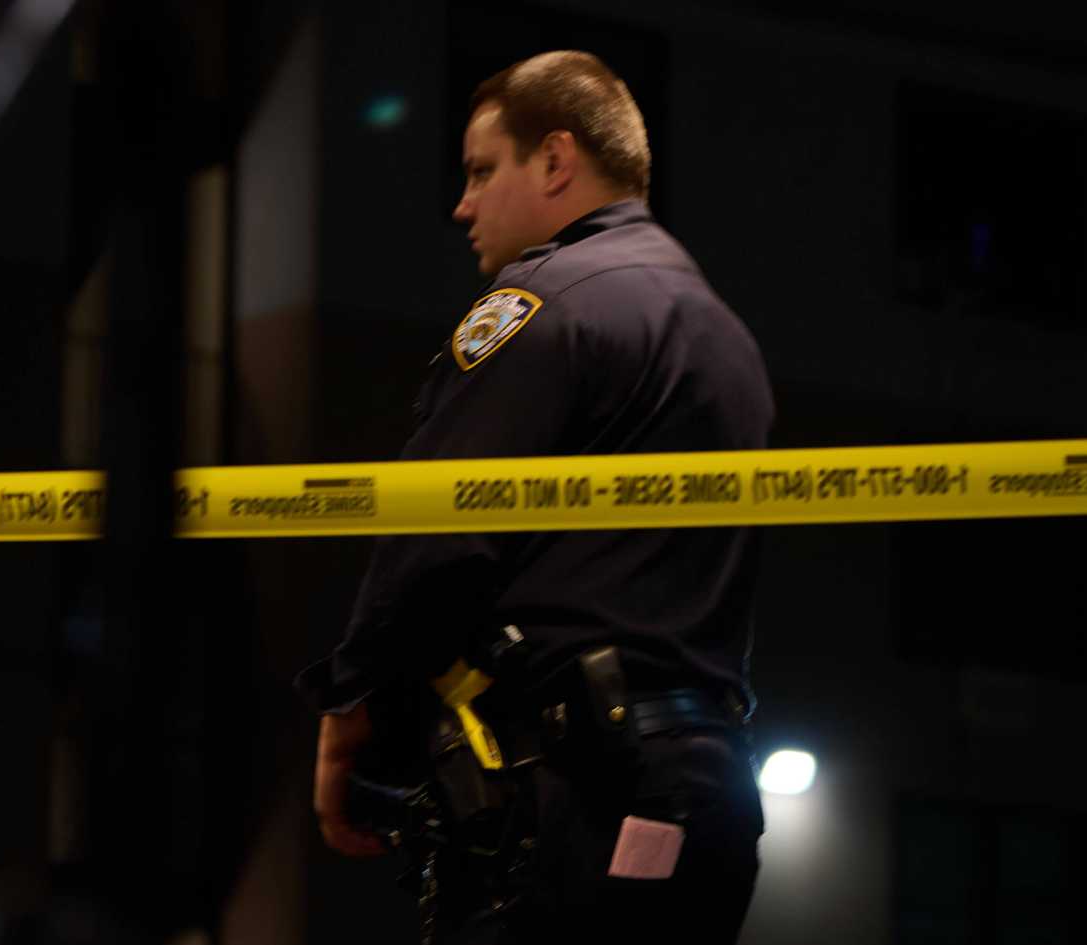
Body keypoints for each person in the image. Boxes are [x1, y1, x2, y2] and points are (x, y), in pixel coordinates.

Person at [296, 50, 774, 943]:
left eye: (482, 171)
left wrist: (350, 712)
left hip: (574, 787)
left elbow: (437, 533)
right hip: (711, 790)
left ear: (555, 161)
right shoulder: (726, 337)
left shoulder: (543, 303)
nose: (462, 204)